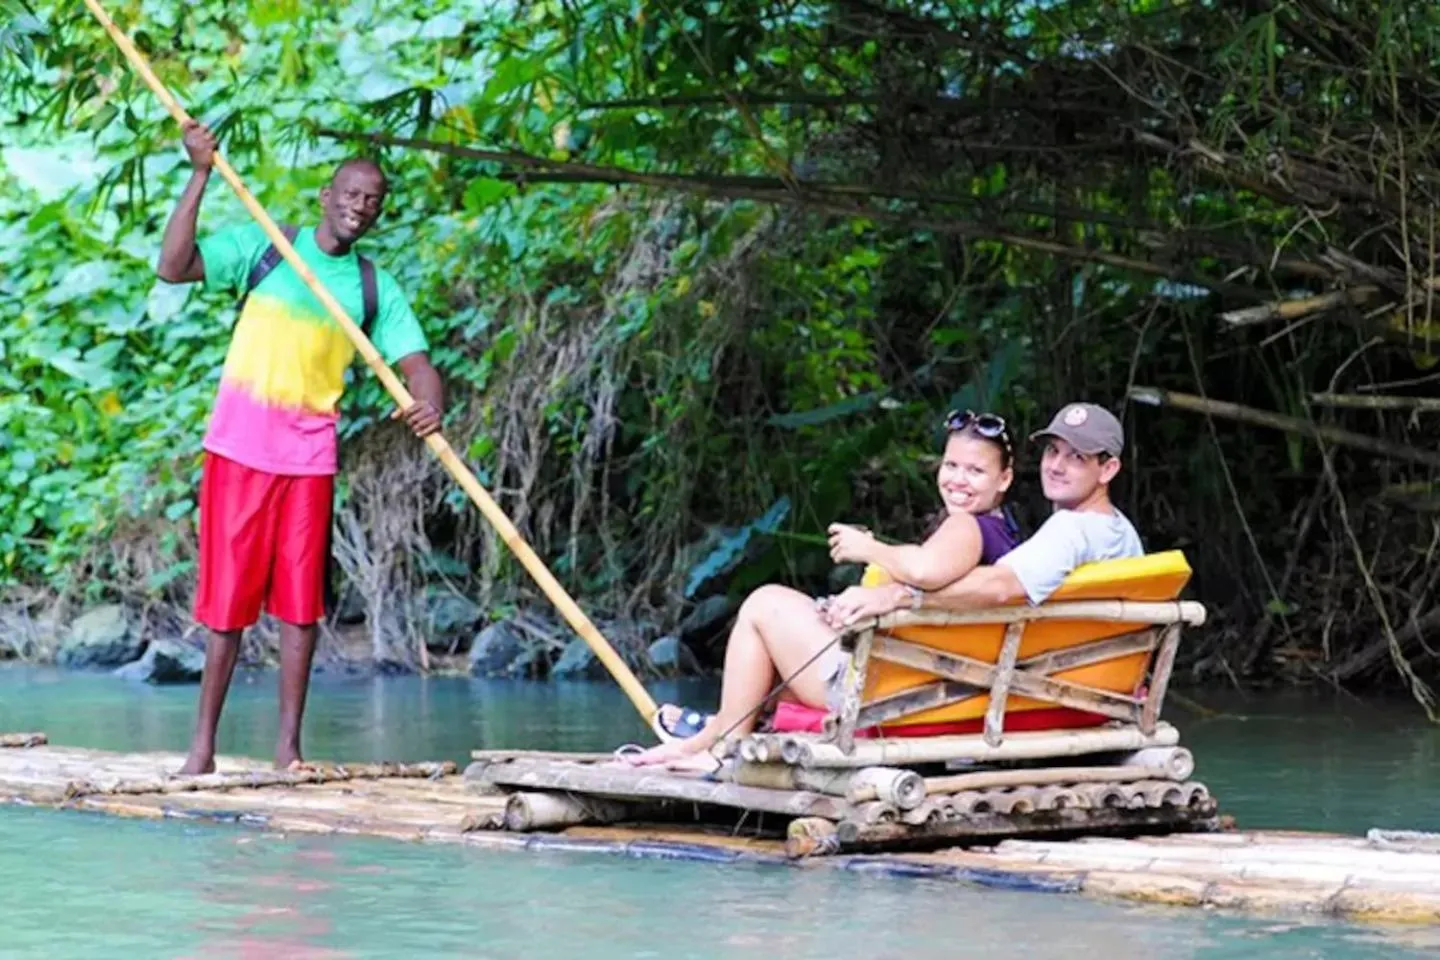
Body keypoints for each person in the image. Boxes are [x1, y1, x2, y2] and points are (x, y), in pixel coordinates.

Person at [155, 121, 446, 774]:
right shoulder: (267, 247)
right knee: (227, 605)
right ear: (326, 194)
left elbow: (419, 365)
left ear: (379, 212)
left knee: (299, 607)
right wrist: (200, 172)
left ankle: (288, 751)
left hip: (309, 460)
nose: (359, 205)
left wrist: (429, 402)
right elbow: (173, 267)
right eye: (350, 192)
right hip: (237, 450)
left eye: (372, 199)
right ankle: (201, 750)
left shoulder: (373, 288)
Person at [621, 409, 1021, 773]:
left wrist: (869, 549)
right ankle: (707, 741)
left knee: (764, 604)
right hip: (923, 682)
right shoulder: (1005, 534)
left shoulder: (968, 527)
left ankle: (718, 746)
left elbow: (924, 569)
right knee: (778, 643)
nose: (957, 480)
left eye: (975, 471)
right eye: (951, 465)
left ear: (1004, 478)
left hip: (890, 693)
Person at [818, 401, 1143, 629]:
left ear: (1108, 469)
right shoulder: (1121, 530)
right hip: (1080, 672)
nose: (1056, 466)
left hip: (1047, 689)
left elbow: (1000, 586)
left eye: (1076, 458)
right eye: (1052, 451)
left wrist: (896, 593)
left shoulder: (1071, 529)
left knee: (769, 604)